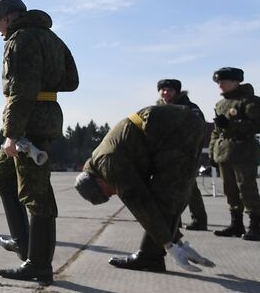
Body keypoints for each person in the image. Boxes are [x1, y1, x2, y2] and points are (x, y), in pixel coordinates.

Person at [0, 0, 78, 284]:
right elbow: (72, 80)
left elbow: (21, 90)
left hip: (29, 124)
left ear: (8, 18)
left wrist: (12, 134)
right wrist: (47, 86)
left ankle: (38, 263)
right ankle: (22, 243)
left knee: (36, 194)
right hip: (46, 116)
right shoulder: (51, 38)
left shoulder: (21, 39)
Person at [74, 102, 213, 272]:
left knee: (163, 197)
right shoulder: (107, 160)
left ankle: (150, 257)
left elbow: (140, 203)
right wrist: (176, 243)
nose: (114, 193)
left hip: (172, 129)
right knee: (172, 195)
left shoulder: (108, 163)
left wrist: (169, 246)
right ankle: (151, 256)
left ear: (97, 181)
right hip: (186, 125)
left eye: (107, 193)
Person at [209, 67, 260, 241]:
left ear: (236, 82)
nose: (220, 85)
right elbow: (216, 131)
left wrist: (233, 125)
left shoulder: (250, 101)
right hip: (224, 153)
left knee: (247, 188)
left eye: (224, 81)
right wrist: (213, 150)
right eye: (218, 82)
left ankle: (255, 227)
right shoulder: (221, 104)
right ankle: (236, 224)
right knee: (230, 190)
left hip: (244, 152)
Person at [156, 78, 208, 230]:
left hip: (185, 153)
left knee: (189, 187)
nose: (165, 93)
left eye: (170, 90)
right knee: (166, 188)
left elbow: (198, 129)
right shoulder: (158, 108)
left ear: (177, 92)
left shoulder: (190, 108)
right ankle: (173, 220)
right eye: (163, 90)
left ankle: (199, 220)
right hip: (164, 154)